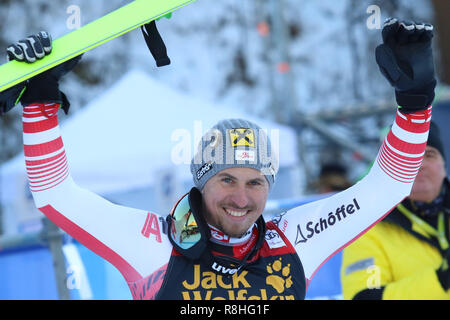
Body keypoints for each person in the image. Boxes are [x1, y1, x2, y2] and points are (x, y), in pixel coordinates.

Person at [0, 18, 438, 300]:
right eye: (226, 179)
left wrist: (415, 105)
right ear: (201, 182)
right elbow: (55, 194)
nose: (242, 198)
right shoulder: (152, 243)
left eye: (256, 181)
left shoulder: (296, 239)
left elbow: (389, 185)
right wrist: (39, 106)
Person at [341, 121, 450, 300]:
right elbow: (364, 297)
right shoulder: (368, 229)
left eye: (429, 155)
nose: (420, 164)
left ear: (443, 165)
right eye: (410, 157)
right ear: (392, 170)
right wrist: (442, 279)